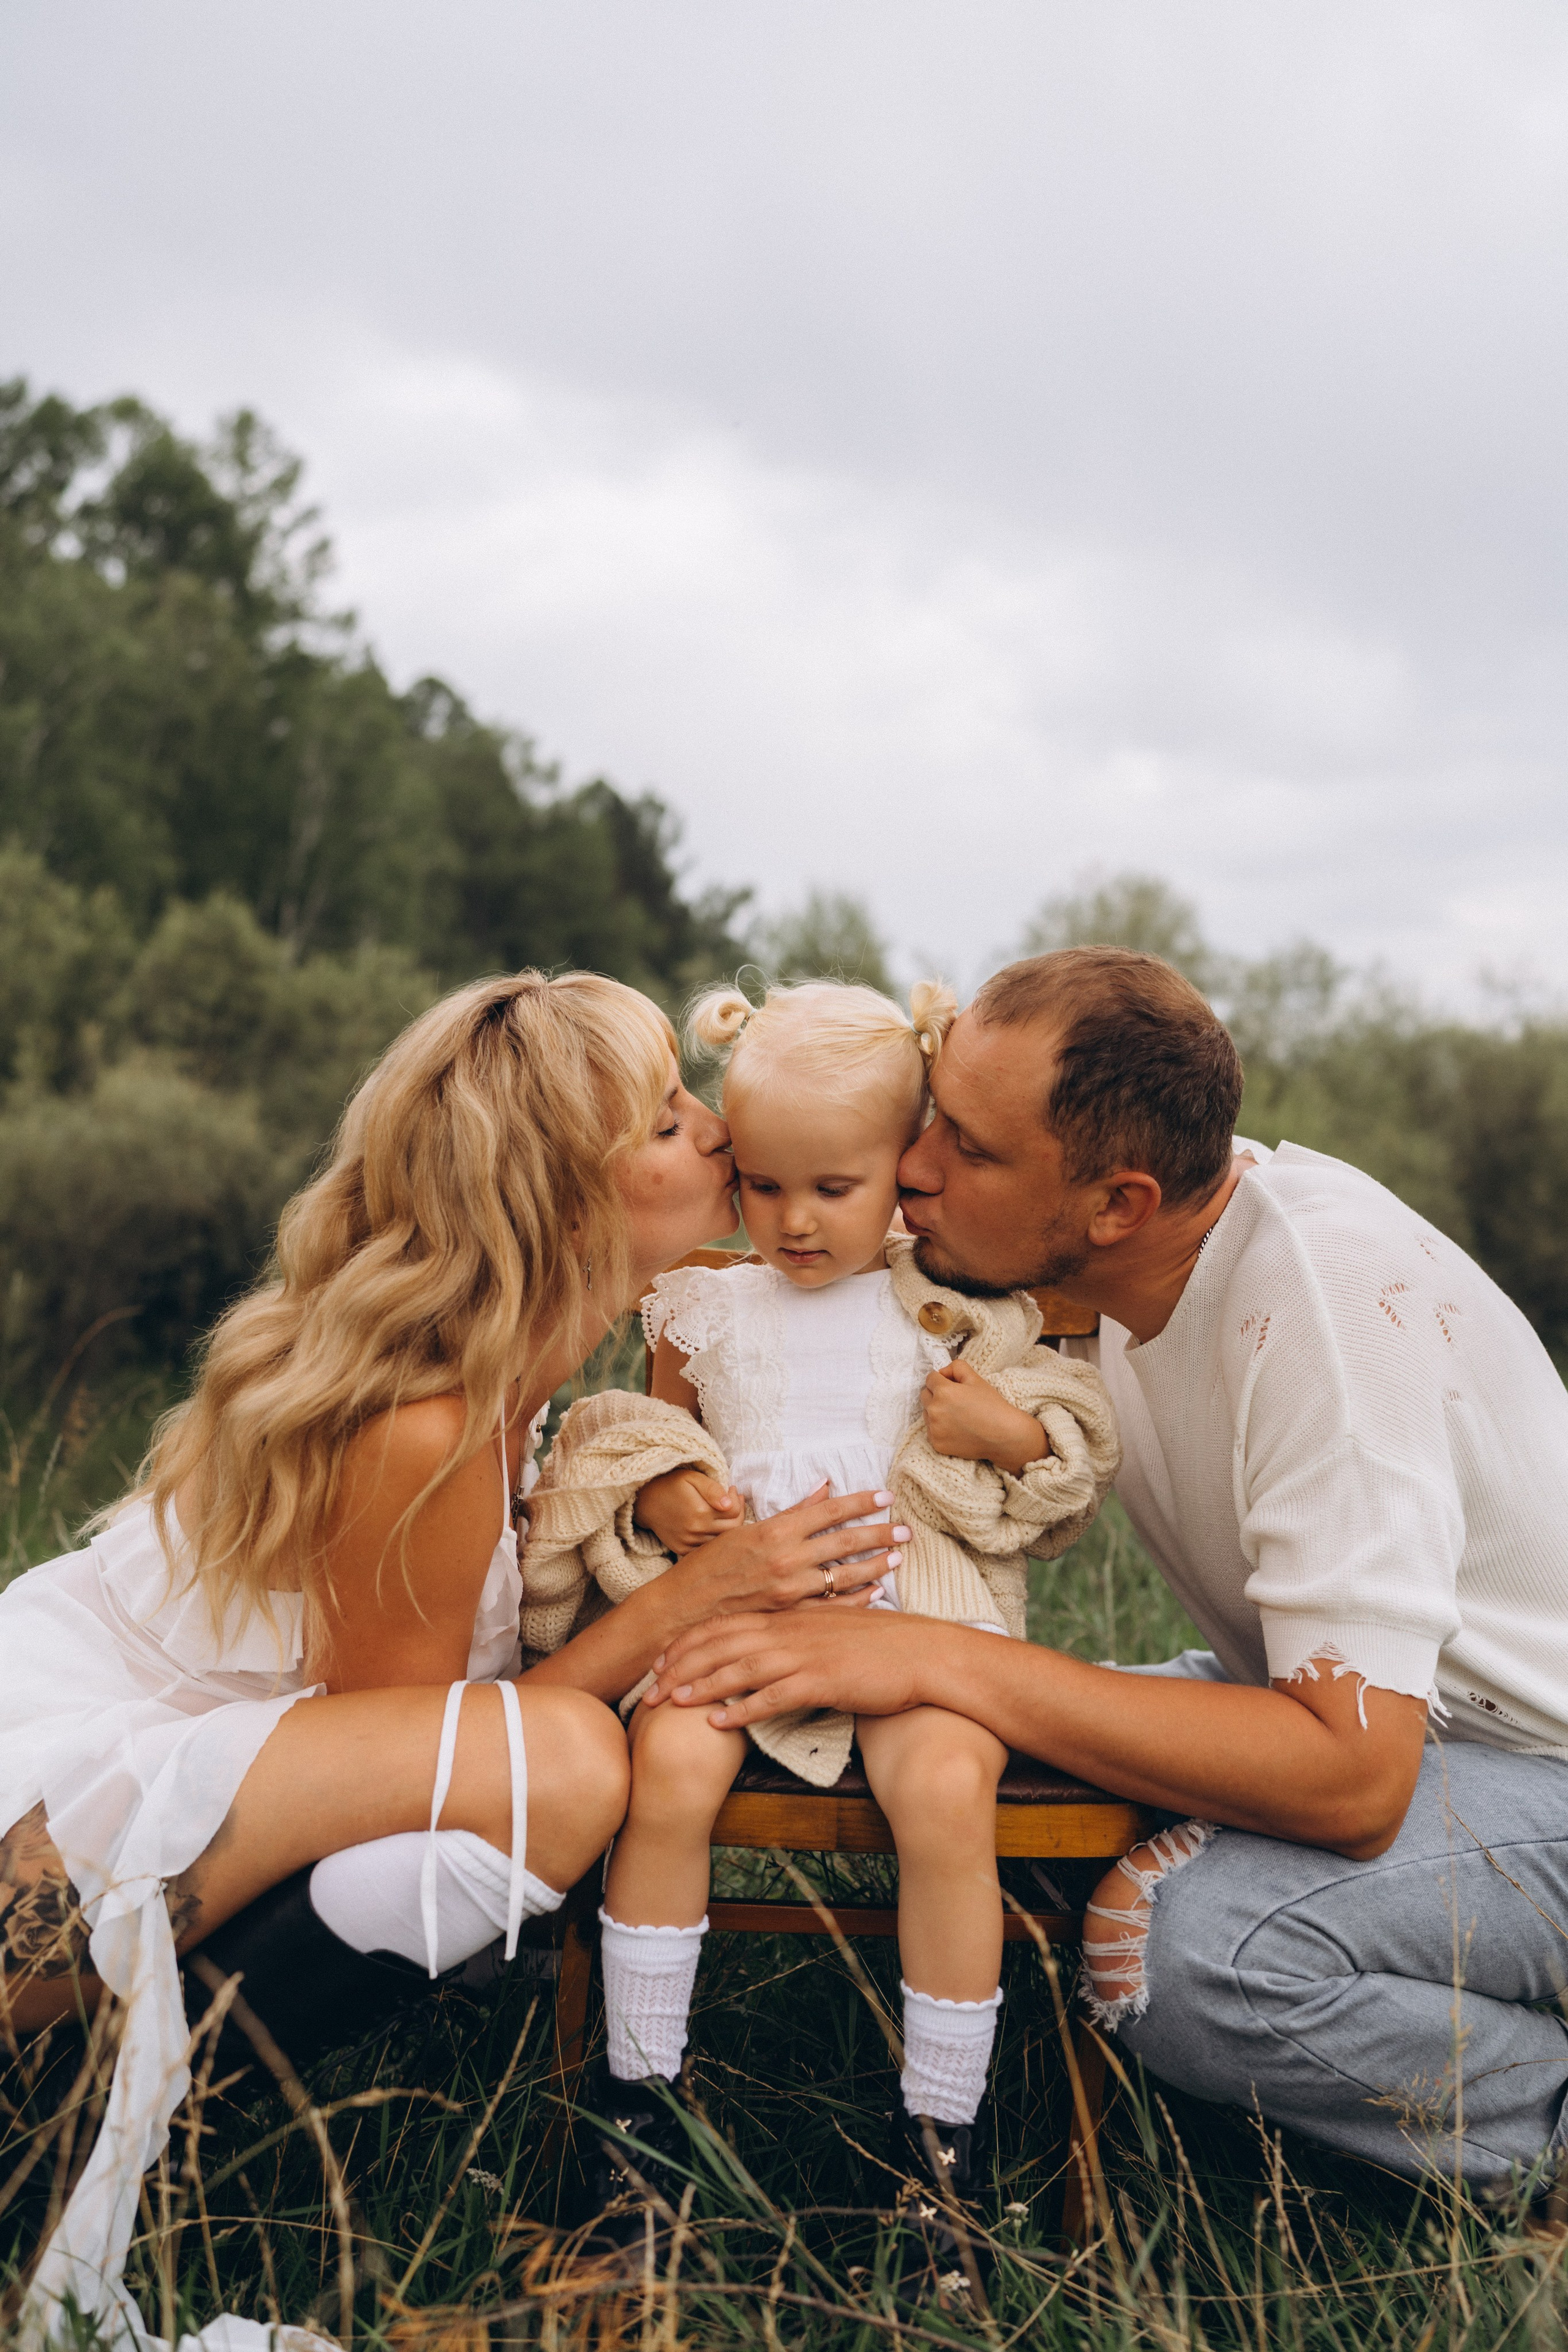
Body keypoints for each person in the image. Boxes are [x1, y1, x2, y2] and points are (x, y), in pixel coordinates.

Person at [0, 970, 897, 2350]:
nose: (712, 1130)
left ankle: (128, 2102)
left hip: (216, 1769)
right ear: (563, 1193)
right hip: (76, 1778)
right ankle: (83, 2120)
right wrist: (690, 1601)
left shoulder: (503, 1378)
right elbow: (430, 1753)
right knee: (565, 1762)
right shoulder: (419, 1422)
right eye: (663, 1122)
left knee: (559, 1764)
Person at [643, 946, 1568, 2198]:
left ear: (1117, 1203)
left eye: (965, 1149)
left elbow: (1352, 1776)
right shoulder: (1100, 1274)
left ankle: (1539, 2122)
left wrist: (927, 1651)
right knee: (995, 1764)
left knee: (1181, 1946)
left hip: (1527, 1768)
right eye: (929, 1117)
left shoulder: (1322, 1320)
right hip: (1387, 1718)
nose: (914, 1166)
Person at [524, 978, 1116, 2250]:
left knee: (945, 1794)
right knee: (666, 1762)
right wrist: (669, 1488)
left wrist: (1002, 1428)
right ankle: (642, 2108)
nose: (792, 1223)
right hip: (742, 1617)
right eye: (762, 1186)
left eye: (832, 1190)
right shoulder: (698, 1300)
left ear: (900, 1167)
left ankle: (939, 2146)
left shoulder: (949, 1303)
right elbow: (637, 1428)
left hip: (923, 1627)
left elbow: (1070, 1459)